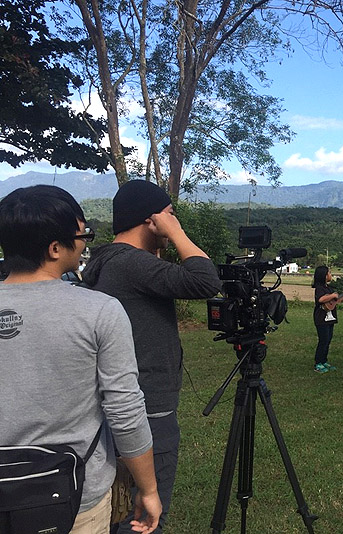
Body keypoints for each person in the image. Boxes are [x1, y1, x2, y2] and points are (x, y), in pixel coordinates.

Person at [0, 185, 161, 533]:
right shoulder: (99, 311)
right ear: (55, 248)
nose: (85, 243)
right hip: (72, 498)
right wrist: (148, 489)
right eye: (82, 236)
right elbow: (124, 409)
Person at [82, 180, 221, 533]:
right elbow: (205, 280)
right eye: (170, 214)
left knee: (117, 511)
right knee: (143, 519)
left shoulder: (108, 261)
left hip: (116, 406)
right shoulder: (132, 264)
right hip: (147, 410)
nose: (174, 221)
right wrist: (176, 233)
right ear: (151, 219)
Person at [312, 265, 342, 373]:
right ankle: (318, 363)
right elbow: (321, 299)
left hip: (330, 318)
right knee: (323, 340)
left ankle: (324, 360)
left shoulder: (328, 288)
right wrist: (333, 295)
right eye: (329, 273)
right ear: (324, 276)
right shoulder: (319, 288)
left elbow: (333, 301)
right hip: (321, 318)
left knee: (328, 340)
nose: (331, 275)